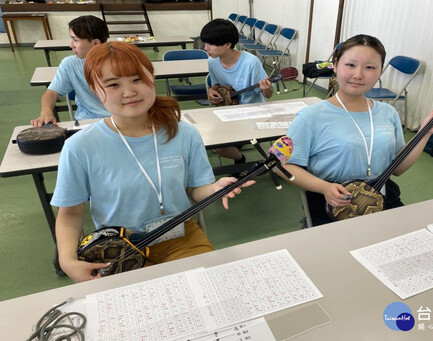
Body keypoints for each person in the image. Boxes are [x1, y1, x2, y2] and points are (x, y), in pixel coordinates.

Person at [51, 42, 255, 282]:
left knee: (207, 293)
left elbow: (195, 189)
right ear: (95, 90)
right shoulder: (80, 147)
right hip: (118, 248)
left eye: (137, 79)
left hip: (181, 236)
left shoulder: (184, 134)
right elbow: (70, 214)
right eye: (113, 84)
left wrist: (213, 189)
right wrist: (67, 261)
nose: (129, 92)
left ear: (151, 78)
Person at [281, 34, 433, 226]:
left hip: (381, 198)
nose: (358, 75)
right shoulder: (310, 117)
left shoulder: (388, 112)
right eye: (350, 65)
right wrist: (324, 188)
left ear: (380, 71)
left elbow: (397, 169)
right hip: (332, 204)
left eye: (370, 67)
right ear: (336, 65)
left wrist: (426, 131)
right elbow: (285, 166)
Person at [200, 18, 273, 167]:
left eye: (211, 44)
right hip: (226, 111)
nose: (206, 48)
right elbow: (216, 85)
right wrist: (212, 91)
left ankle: (240, 158)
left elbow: (268, 95)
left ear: (227, 45)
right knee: (210, 142)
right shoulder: (212, 61)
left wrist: (267, 88)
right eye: (205, 43)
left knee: (220, 146)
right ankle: (240, 158)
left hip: (251, 113)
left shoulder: (251, 62)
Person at [31, 15, 111, 127]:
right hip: (86, 122)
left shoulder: (121, 62)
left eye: (75, 40)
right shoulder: (70, 64)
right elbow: (52, 93)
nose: (71, 45)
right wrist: (46, 112)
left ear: (96, 43)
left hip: (119, 120)